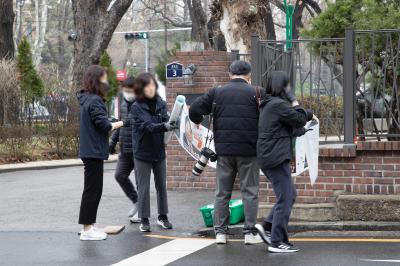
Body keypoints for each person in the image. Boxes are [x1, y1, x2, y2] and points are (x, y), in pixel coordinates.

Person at [189, 60, 262, 245]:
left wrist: (197, 120)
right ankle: (249, 233)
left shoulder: (217, 92)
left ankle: (220, 233)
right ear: (249, 75)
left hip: (224, 152)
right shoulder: (257, 92)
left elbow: (194, 110)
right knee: (250, 191)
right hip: (249, 151)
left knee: (222, 192)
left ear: (230, 74)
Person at [255, 71, 314, 253]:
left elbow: (288, 128)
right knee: (286, 198)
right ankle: (277, 241)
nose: (290, 89)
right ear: (283, 87)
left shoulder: (269, 105)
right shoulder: (278, 104)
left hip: (270, 155)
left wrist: (302, 129)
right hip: (275, 157)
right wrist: (295, 101)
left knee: (290, 195)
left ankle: (268, 226)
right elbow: (299, 118)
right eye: (288, 86)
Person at [77, 65, 127, 241]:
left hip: (89, 151)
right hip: (94, 152)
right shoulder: (95, 101)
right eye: (104, 78)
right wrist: (122, 123)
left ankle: (89, 225)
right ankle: (87, 229)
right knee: (93, 191)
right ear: (97, 79)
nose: (106, 81)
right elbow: (104, 126)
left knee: (91, 190)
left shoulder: (87, 99)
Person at [131, 73, 176, 232]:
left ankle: (163, 217)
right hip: (142, 153)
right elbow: (149, 126)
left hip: (159, 151)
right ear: (140, 89)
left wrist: (172, 122)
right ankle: (144, 220)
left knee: (161, 186)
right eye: (147, 86)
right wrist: (166, 126)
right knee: (143, 187)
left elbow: (166, 120)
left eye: (152, 85)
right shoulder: (137, 107)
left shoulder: (161, 103)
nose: (150, 88)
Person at [109, 76, 140, 223]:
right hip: (124, 149)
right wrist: (112, 143)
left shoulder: (142, 104)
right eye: (125, 90)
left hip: (139, 149)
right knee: (119, 175)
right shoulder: (123, 104)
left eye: (130, 90)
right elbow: (120, 124)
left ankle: (142, 211)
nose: (127, 93)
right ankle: (136, 201)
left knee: (141, 181)